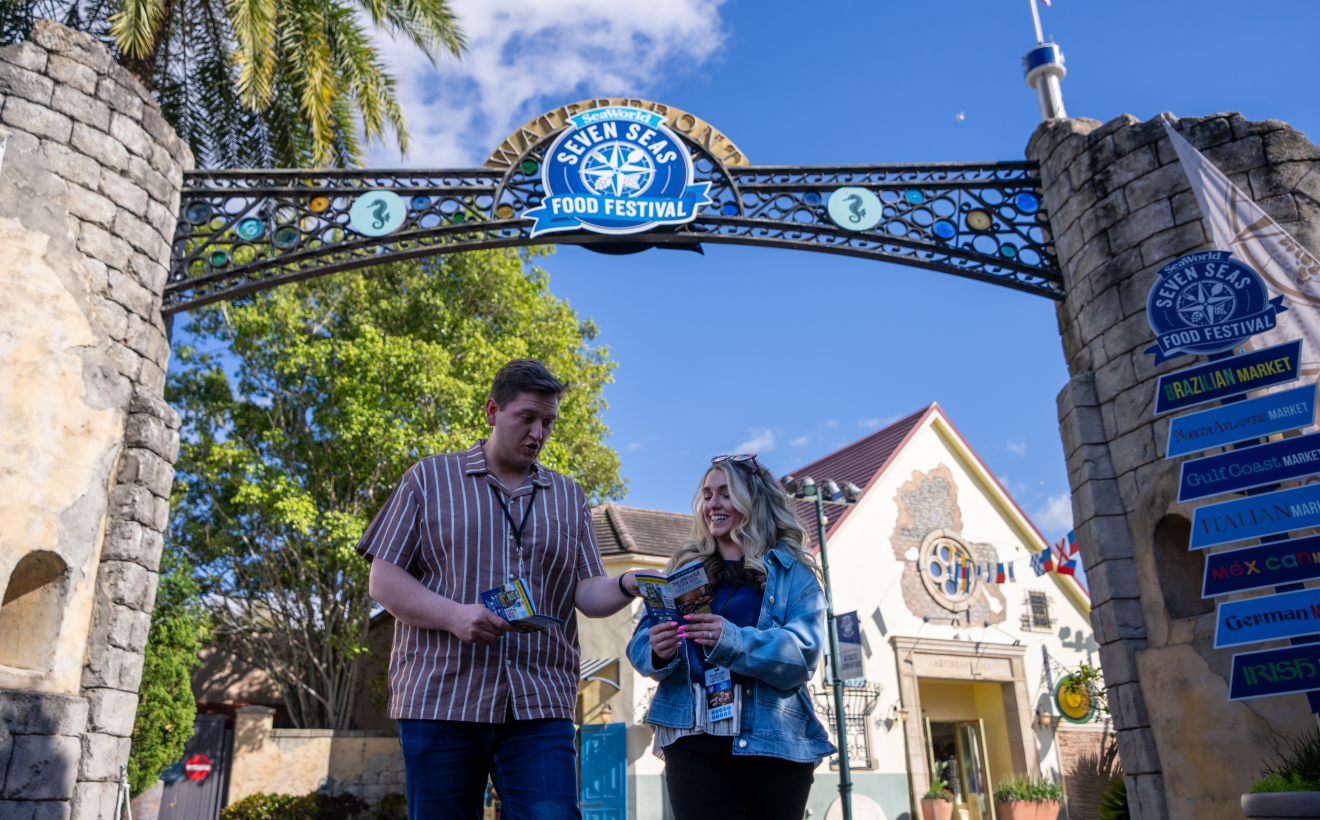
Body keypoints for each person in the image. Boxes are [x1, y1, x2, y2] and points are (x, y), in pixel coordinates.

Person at [359, 359, 643, 820]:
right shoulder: (428, 479)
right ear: (493, 411)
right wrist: (454, 616)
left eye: (548, 422)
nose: (538, 433)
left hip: (540, 701)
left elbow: (587, 593)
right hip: (441, 700)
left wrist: (628, 583)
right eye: (527, 417)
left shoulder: (569, 496)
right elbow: (384, 580)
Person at [626, 454, 836, 820]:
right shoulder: (682, 571)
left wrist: (733, 640)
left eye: (726, 494)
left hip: (772, 742)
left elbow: (803, 656)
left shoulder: (793, 574)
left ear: (753, 502)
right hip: (691, 737)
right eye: (707, 495)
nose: (713, 504)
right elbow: (640, 644)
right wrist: (658, 651)